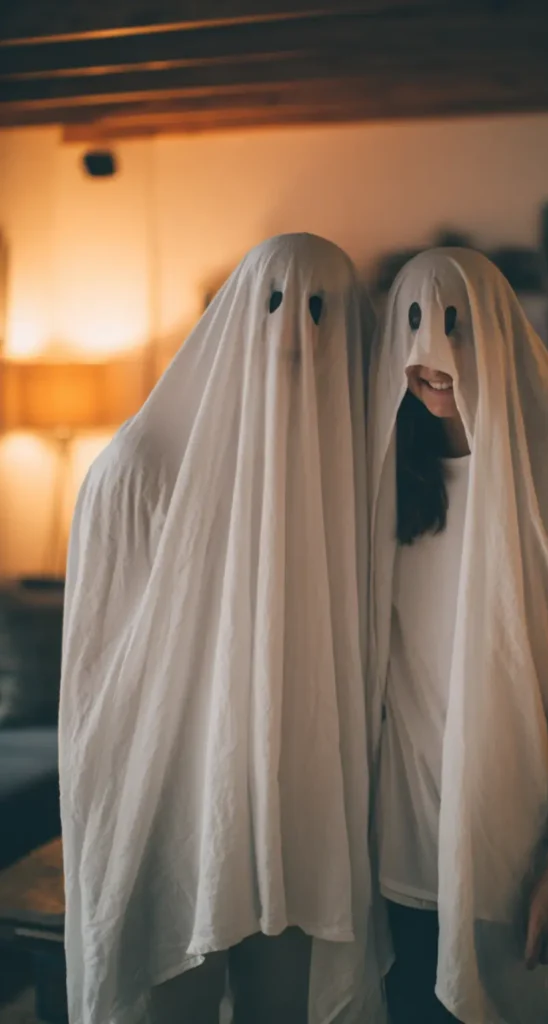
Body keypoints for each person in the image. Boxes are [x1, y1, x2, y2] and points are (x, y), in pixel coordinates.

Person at [59, 234, 389, 1024]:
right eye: (274, 303)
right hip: (168, 787)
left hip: (297, 795)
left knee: (287, 1005)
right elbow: (100, 660)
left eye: (319, 309)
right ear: (237, 314)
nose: (294, 331)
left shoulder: (351, 472)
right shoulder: (140, 464)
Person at [367, 248, 548, 1024]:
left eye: (452, 323)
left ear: (496, 328)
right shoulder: (382, 468)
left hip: (521, 850)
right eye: (414, 322)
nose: (431, 352)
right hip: (395, 849)